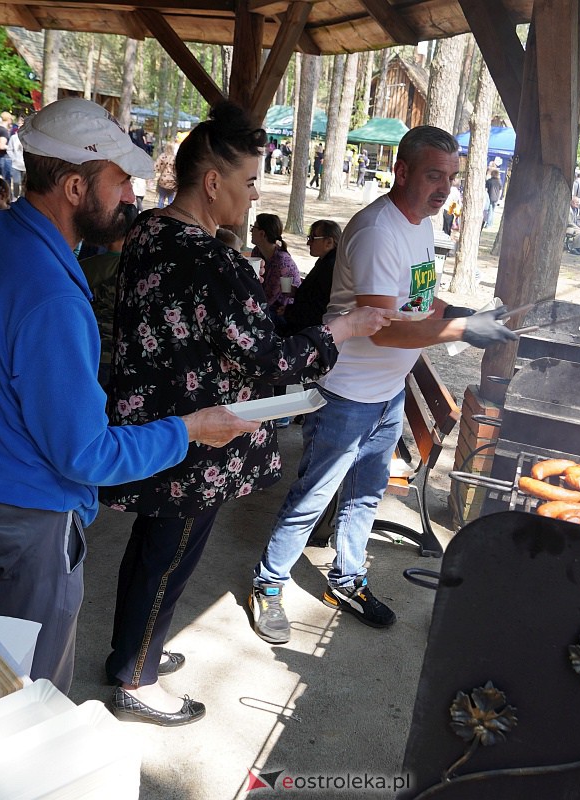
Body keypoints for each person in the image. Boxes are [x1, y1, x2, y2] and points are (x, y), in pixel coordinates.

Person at [0, 96, 256, 693]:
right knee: (29, 691)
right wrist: (190, 430)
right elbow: (85, 456)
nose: (134, 197)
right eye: (121, 181)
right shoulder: (54, 297)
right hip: (24, 515)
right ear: (74, 187)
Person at [98, 102, 395, 727]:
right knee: (169, 558)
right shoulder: (215, 262)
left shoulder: (152, 231)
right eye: (250, 182)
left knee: (150, 550)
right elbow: (271, 360)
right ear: (213, 183)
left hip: (151, 429)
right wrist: (342, 327)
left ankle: (132, 651)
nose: (255, 193)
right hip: (196, 442)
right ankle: (136, 680)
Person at [249, 125, 518, 646]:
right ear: (402, 172)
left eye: (452, 178)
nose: (445, 188)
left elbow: (417, 303)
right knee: (314, 495)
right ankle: (269, 584)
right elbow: (384, 325)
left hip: (387, 392)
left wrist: (459, 313)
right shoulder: (378, 231)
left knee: (366, 494)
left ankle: (346, 580)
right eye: (433, 175)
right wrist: (462, 330)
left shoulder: (418, 226)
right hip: (347, 390)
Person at [280, 219, 341, 332]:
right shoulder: (325, 261)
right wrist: (297, 293)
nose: (308, 243)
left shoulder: (330, 268)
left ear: (329, 242)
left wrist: (289, 311)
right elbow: (314, 295)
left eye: (312, 238)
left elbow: (318, 310)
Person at [251, 213, 300, 311]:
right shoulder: (257, 251)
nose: (251, 231)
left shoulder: (281, 261)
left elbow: (269, 298)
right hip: (266, 304)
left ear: (262, 234)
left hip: (283, 310)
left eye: (253, 228)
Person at [153, 142, 177, 209]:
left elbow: (156, 167)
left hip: (163, 180)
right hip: (172, 181)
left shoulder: (162, 156)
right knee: (170, 199)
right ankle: (171, 214)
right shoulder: (174, 158)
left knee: (161, 198)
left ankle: (159, 213)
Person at [0, 112, 13, 183]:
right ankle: (7, 193)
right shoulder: (4, 131)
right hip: (4, 158)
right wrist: (11, 147)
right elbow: (1, 146)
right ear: (9, 120)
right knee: (7, 180)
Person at [7, 124, 25, 199]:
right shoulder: (14, 138)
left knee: (24, 184)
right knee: (16, 182)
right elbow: (9, 149)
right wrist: (14, 158)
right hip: (16, 165)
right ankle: (15, 197)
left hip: (25, 166)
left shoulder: (29, 138)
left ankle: (22, 197)